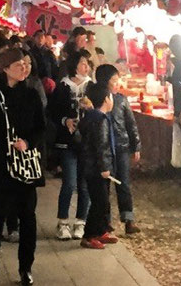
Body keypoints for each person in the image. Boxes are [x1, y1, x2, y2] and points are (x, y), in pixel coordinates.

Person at [0, 46, 45, 285]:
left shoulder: (31, 95)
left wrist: (28, 142)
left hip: (24, 166)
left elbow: (42, 128)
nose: (23, 68)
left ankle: (26, 268)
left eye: (25, 64)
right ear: (5, 69)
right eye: (18, 65)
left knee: (28, 218)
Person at [48, 51, 93, 241]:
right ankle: (63, 222)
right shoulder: (63, 87)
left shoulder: (91, 86)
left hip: (87, 141)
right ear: (74, 65)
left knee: (84, 185)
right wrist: (65, 119)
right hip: (68, 141)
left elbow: (101, 109)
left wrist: (90, 109)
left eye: (87, 63)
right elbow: (51, 111)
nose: (86, 67)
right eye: (83, 63)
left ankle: (81, 222)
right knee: (69, 183)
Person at [95, 63, 141, 234]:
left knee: (124, 183)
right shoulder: (96, 99)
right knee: (104, 186)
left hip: (121, 146)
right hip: (105, 149)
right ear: (105, 82)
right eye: (114, 80)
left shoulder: (122, 100)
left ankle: (128, 219)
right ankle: (105, 221)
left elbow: (131, 124)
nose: (117, 83)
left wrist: (136, 145)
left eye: (117, 80)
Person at [78, 81, 118, 250]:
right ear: (106, 99)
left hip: (91, 167)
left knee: (102, 200)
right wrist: (104, 168)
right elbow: (101, 146)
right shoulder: (100, 119)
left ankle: (101, 231)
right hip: (96, 168)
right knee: (99, 202)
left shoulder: (92, 116)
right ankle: (89, 235)